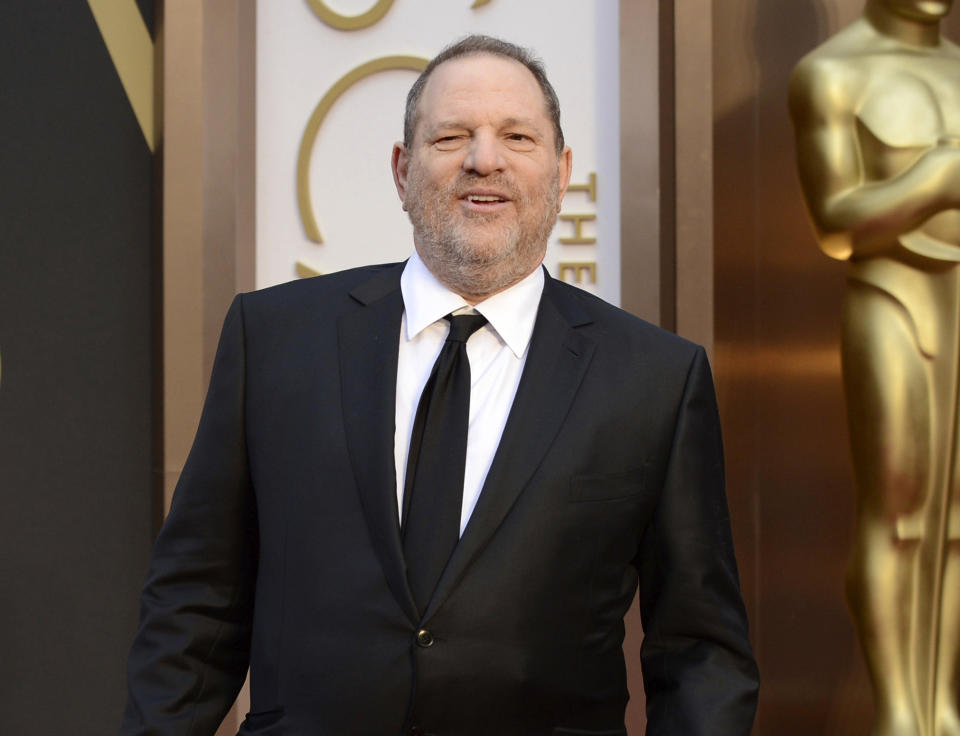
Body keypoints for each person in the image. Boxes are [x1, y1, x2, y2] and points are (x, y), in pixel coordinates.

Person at [122, 35, 758, 736]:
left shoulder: (655, 379)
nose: (484, 159)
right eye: (451, 135)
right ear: (402, 171)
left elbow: (701, 652)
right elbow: (197, 605)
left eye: (517, 136)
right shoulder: (274, 340)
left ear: (562, 170)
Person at [789, 2, 960, 734]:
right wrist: (939, 175)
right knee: (898, 508)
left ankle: (940, 705)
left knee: (953, 524)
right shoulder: (830, 74)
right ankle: (898, 709)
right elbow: (835, 223)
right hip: (892, 298)